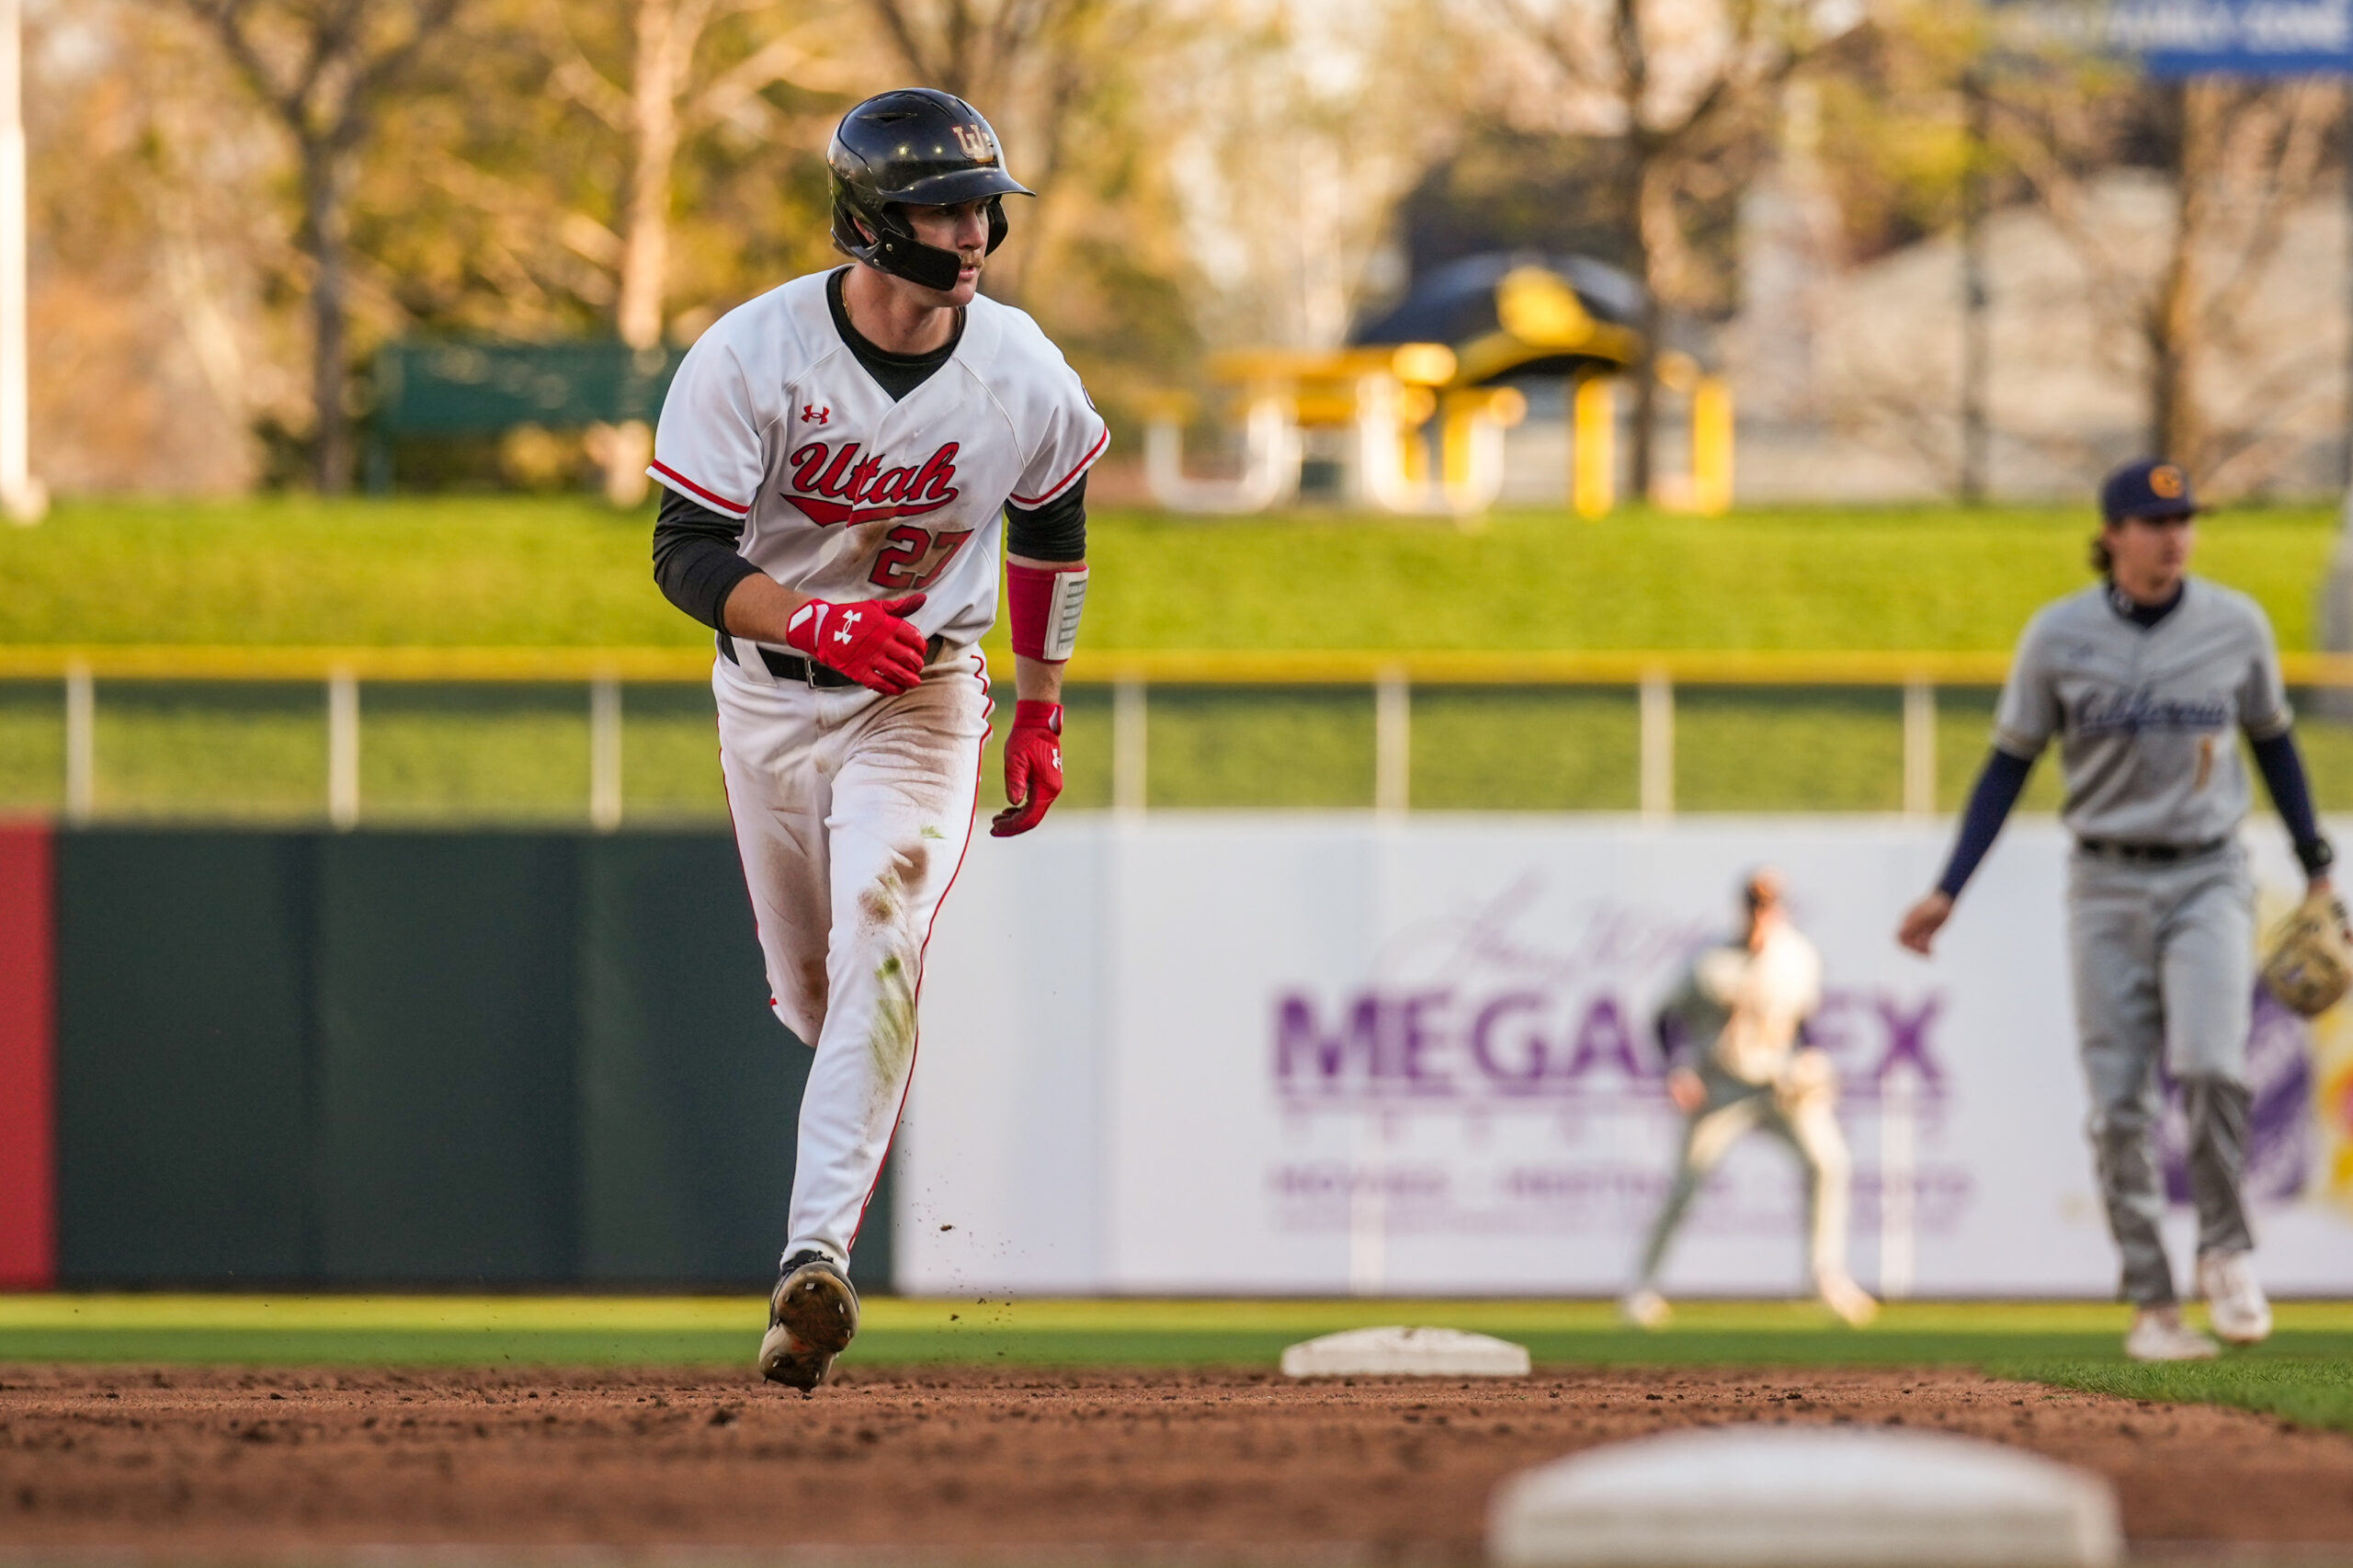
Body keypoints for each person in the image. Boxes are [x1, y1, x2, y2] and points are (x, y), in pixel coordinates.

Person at [646, 88, 1106, 1392]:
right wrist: (814, 619)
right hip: (773, 692)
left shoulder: (1020, 367)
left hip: (923, 693)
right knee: (815, 988)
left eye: (979, 207)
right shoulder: (751, 353)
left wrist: (1043, 701)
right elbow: (684, 555)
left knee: (886, 936)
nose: (969, 230)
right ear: (866, 218)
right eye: (940, 205)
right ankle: (841, 1113)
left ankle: (813, 1264)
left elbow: (1055, 520)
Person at [1896, 459, 2333, 1361]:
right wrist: (1948, 887)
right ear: (2110, 536)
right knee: (2119, 1106)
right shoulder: (2058, 636)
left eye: (2183, 519)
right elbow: (2007, 763)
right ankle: (2151, 1303)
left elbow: (2274, 744)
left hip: (2209, 873)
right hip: (2103, 882)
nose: (2173, 535)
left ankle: (2225, 1248)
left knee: (2214, 1062)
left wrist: (2315, 861)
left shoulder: (2234, 623)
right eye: (2152, 520)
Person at [1622, 869, 1881, 1330]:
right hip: (1721, 1084)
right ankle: (1642, 1287)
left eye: (1769, 904)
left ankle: (1825, 1276)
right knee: (1685, 1186)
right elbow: (1664, 1019)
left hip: (1779, 1085)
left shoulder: (1798, 956)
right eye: (1754, 904)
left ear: (1780, 908)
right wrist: (1677, 1069)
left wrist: (1810, 1058)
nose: (1761, 912)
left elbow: (1803, 1022)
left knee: (1829, 1162)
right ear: (1742, 908)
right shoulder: (1709, 960)